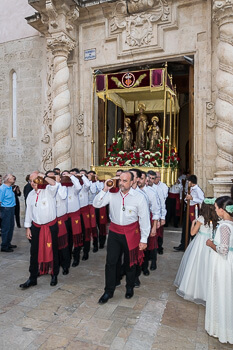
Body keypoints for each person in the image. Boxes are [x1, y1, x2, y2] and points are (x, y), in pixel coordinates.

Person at [93, 171, 150, 304]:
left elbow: (144, 219)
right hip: (114, 232)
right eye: (120, 180)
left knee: (131, 263)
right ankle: (108, 291)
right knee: (111, 262)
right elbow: (96, 204)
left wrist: (144, 239)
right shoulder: (112, 194)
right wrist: (105, 189)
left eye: (125, 181)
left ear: (132, 182)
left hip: (131, 233)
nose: (122, 183)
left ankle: (129, 288)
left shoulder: (139, 197)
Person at [174, 198, 218, 305]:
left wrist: (193, 223)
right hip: (211, 243)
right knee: (208, 266)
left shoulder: (201, 219)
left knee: (197, 266)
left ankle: (193, 290)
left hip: (200, 244)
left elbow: (193, 233)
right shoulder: (217, 219)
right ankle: (207, 292)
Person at [20, 171, 59, 288]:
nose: (32, 183)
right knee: (34, 252)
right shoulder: (31, 195)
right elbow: (29, 212)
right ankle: (32, 277)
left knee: (53, 250)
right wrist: (27, 228)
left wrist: (43, 176)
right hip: (36, 227)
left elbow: (54, 184)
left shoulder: (49, 190)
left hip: (51, 226)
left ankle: (54, 274)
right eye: (30, 181)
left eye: (35, 180)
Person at [205, 196, 233, 344]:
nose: (215, 211)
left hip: (224, 264)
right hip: (230, 261)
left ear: (222, 211)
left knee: (222, 292)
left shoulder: (224, 227)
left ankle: (222, 328)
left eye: (216, 208)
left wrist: (210, 244)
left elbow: (223, 250)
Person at [174, 175, 204, 251]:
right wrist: (186, 198)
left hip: (193, 210)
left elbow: (202, 200)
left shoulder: (197, 190)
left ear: (191, 182)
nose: (187, 183)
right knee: (185, 227)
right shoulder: (190, 189)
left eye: (188, 182)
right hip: (188, 208)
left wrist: (192, 198)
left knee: (192, 226)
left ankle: (192, 246)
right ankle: (183, 244)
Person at [0, 174, 16, 252]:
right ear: (7, 180)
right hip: (6, 209)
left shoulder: (10, 188)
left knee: (11, 227)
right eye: (11, 177)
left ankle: (8, 242)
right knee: (6, 228)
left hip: (11, 208)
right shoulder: (2, 188)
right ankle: (4, 245)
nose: (13, 178)